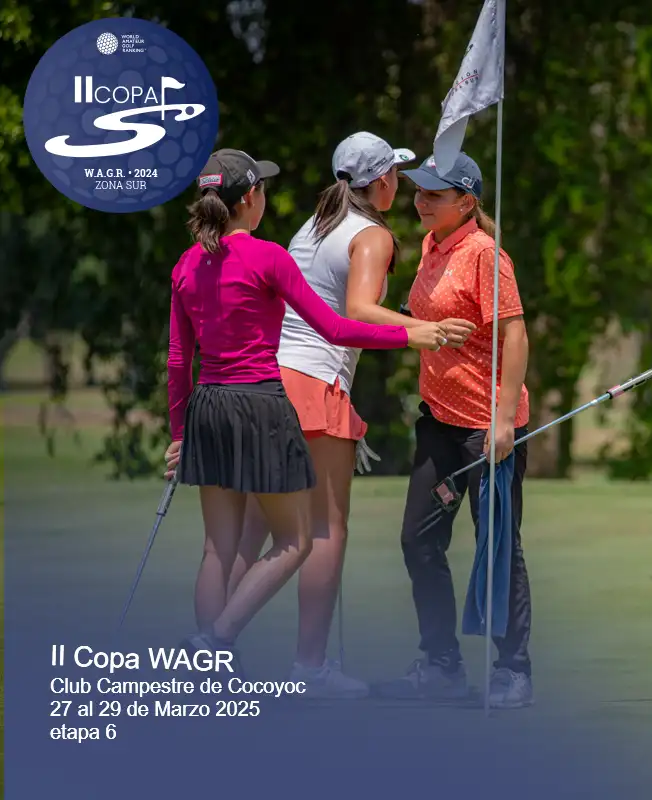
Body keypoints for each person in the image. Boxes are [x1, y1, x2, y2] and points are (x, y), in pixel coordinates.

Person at [162, 148, 449, 675]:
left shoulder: (186, 264)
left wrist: (180, 433)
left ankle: (206, 663)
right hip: (261, 402)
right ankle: (217, 639)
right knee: (298, 540)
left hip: (207, 406)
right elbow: (336, 328)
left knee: (217, 549)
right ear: (251, 197)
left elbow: (179, 361)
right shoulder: (268, 257)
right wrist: (410, 336)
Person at [228, 132, 477, 698]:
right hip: (315, 385)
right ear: (382, 180)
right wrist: (423, 330)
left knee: (254, 530)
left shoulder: (313, 226)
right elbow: (358, 310)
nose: (401, 186)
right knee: (325, 529)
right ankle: (309, 667)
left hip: (272, 380)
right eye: (396, 175)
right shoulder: (372, 234)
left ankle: (208, 649)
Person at [383, 151, 534, 709]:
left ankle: (513, 670)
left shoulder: (484, 255)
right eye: (419, 191)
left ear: (466, 202)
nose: (420, 201)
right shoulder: (431, 245)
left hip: (486, 428)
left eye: (434, 194)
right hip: (439, 424)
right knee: (418, 540)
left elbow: (515, 337)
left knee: (498, 548)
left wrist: (503, 420)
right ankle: (441, 664)